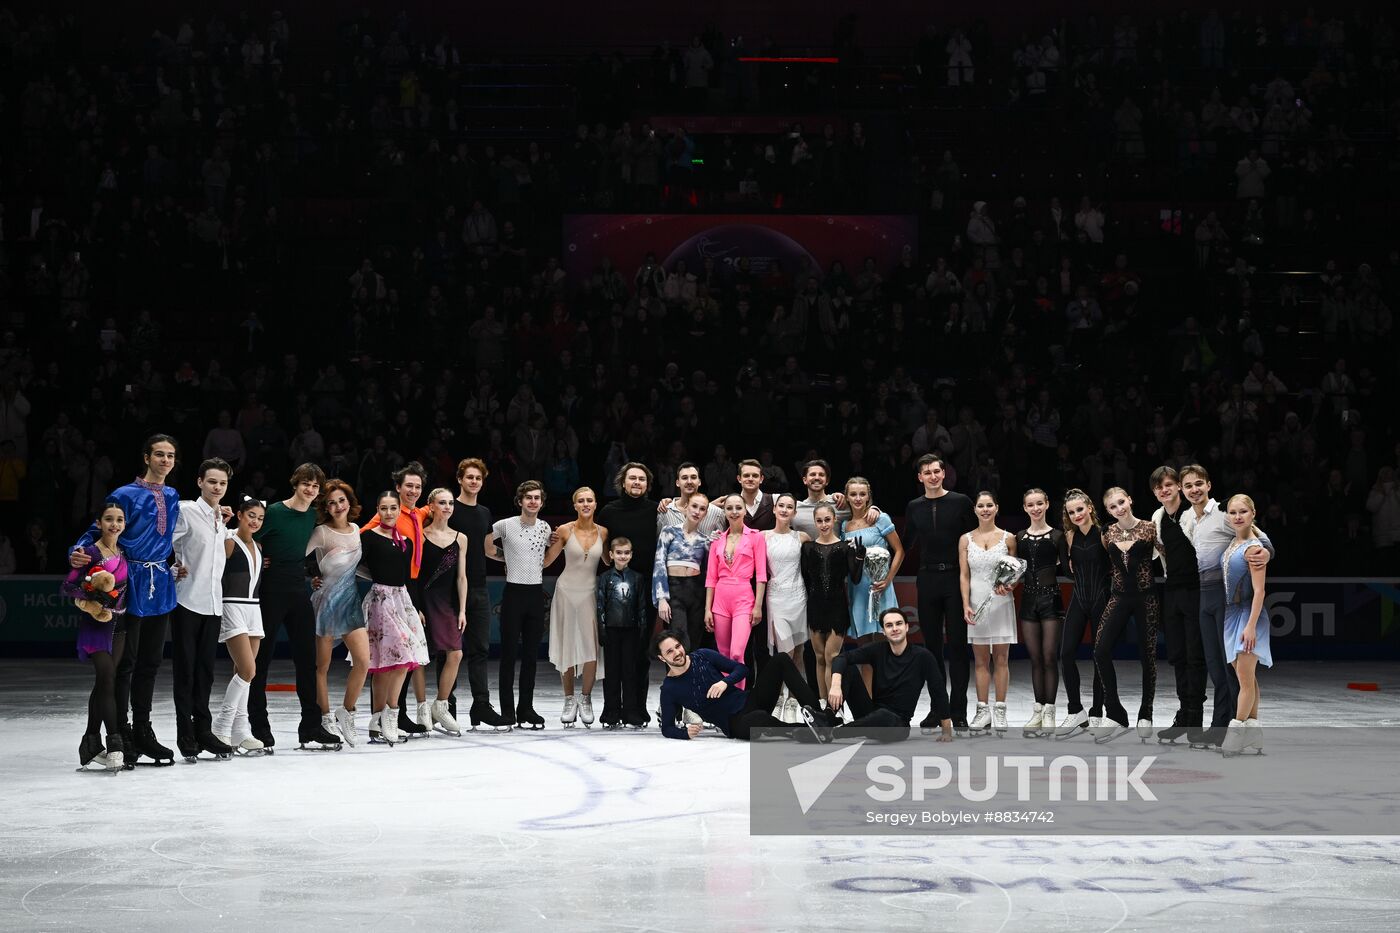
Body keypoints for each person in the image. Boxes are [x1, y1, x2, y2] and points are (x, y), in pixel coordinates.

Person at [69, 434, 182, 766]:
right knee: (125, 664)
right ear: (146, 457)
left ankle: (144, 729)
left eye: (170, 456)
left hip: (160, 581)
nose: (165, 460)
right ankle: (121, 732)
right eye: (159, 454)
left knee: (150, 662)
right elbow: (97, 529)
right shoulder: (123, 494)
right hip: (128, 582)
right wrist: (76, 552)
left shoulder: (174, 495)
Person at [1177, 465, 1272, 748]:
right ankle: (1233, 727)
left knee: (1233, 670)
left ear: (1208, 485)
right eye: (1188, 485)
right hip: (1205, 596)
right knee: (1218, 667)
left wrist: (1266, 550)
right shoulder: (1185, 519)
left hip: (1226, 597)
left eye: (1198, 484)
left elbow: (1256, 538)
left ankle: (1229, 727)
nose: (1194, 489)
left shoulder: (1223, 514)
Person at [249, 463, 339, 750]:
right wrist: (257, 557)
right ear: (295, 483)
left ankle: (311, 726)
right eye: (306, 484)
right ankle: (258, 727)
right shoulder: (274, 512)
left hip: (298, 591)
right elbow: (247, 537)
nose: (310, 490)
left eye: (315, 486)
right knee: (260, 661)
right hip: (271, 591)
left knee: (307, 661)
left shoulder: (313, 515)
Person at [902, 454, 978, 732]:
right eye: (927, 472)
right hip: (927, 578)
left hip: (955, 579)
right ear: (919, 477)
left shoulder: (960, 502)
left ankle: (959, 711)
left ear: (944, 474)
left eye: (937, 471)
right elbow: (906, 542)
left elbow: (975, 538)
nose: (933, 476)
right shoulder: (914, 506)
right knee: (931, 649)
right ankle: (938, 709)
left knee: (957, 647)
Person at [169, 457, 235, 761]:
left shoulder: (220, 518)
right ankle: (186, 734)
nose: (217, 487)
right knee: (186, 671)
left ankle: (204, 731)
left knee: (206, 672)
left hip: (212, 603)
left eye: (222, 483)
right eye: (212, 481)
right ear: (199, 482)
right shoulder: (186, 511)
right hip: (187, 601)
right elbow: (165, 542)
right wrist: (171, 566)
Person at [360, 462, 432, 737]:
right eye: (408, 486)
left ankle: (393, 715)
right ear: (398, 488)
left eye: (417, 487)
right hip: (385, 591)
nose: (413, 491)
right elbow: (360, 542)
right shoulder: (385, 516)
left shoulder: (418, 514)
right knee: (391, 656)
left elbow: (429, 507)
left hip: (407, 589)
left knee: (405, 655)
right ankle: (388, 715)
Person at [653, 630, 830, 741]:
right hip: (735, 723)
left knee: (781, 659)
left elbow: (741, 669)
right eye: (670, 651)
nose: (677, 652)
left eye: (677, 646)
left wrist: (725, 682)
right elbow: (667, 728)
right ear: (662, 658)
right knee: (758, 718)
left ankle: (819, 717)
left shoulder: (702, 655)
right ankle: (805, 731)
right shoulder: (669, 689)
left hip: (750, 700)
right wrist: (685, 734)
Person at [63, 501, 129, 771]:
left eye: (119, 520)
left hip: (120, 625)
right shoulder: (89, 553)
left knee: (104, 683)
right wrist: (90, 595)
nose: (114, 524)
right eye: (109, 519)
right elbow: (68, 586)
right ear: (99, 523)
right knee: (107, 679)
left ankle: (90, 743)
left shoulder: (124, 552)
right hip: (95, 626)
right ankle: (114, 743)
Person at [486, 480, 558, 728]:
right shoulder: (505, 525)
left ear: (541, 502)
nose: (533, 501)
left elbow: (546, 555)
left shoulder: (545, 528)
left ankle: (525, 708)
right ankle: (508, 711)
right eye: (528, 497)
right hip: (514, 594)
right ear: (520, 501)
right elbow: (486, 544)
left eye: (537, 498)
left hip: (536, 594)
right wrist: (503, 556)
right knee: (508, 655)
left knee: (530, 656)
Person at [445, 458, 509, 731]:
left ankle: (481, 705)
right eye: (469, 477)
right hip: (449, 588)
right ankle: (445, 705)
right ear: (459, 479)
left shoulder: (484, 512)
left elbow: (487, 549)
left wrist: (514, 558)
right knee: (449, 650)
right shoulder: (449, 508)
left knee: (480, 650)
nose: (473, 481)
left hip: (479, 587)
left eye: (478, 478)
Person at [1094, 486, 1161, 743]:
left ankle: (1146, 712)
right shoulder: (1107, 532)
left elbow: (1165, 557)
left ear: (1130, 499)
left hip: (1146, 597)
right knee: (1100, 650)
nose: (1119, 508)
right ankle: (1115, 712)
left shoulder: (1150, 527)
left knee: (1148, 655)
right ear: (1108, 511)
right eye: (1112, 507)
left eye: (1121, 502)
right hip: (1119, 597)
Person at [826, 608, 953, 741]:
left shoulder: (922, 656)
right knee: (848, 669)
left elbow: (938, 690)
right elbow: (841, 658)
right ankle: (825, 722)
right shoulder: (878, 649)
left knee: (883, 716)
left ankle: (834, 733)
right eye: (889, 625)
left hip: (897, 725)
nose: (895, 628)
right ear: (884, 632)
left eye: (899, 623)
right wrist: (835, 685)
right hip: (870, 715)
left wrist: (946, 731)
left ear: (907, 627)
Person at [1148, 466, 1208, 743]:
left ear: (1179, 488)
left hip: (1196, 588)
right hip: (1171, 590)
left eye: (1169, 485)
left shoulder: (1193, 513)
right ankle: (1183, 713)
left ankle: (1195, 716)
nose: (1165, 490)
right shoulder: (1158, 516)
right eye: (1159, 487)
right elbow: (1156, 551)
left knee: (1196, 655)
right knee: (1177, 655)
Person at [307, 479, 368, 746]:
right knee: (322, 666)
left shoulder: (357, 530)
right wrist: (310, 576)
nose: (337, 506)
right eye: (331, 502)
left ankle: (347, 711)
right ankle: (324, 717)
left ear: (349, 502)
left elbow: (358, 567)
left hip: (351, 601)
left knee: (363, 662)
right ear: (326, 507)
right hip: (326, 603)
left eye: (341, 500)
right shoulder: (321, 532)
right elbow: (299, 556)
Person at [599, 462, 660, 726]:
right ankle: (611, 709)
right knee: (613, 653)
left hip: (645, 590)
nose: (637, 483)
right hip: (615, 590)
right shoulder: (609, 511)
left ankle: (636, 709)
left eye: (642, 479)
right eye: (632, 478)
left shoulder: (657, 510)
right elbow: (601, 546)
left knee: (639, 653)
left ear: (647, 484)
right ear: (622, 482)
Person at [543, 486, 608, 727]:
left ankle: (586, 698)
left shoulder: (604, 532)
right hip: (567, 592)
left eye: (589, 500)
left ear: (595, 503)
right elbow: (548, 560)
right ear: (575, 505)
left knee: (591, 646)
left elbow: (610, 560)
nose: (585, 504)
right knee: (568, 645)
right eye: (581, 501)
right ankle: (569, 699)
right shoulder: (564, 530)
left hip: (591, 593)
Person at [212, 497, 270, 754]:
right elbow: (212, 568)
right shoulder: (228, 541)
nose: (255, 521)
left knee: (243, 673)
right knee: (248, 670)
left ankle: (240, 730)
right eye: (251, 516)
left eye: (260, 517)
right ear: (239, 514)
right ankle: (221, 727)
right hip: (231, 605)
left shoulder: (258, 545)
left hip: (253, 609)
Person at [960, 491, 1018, 735]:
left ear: (996, 508)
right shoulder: (965, 539)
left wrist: (1010, 585)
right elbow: (964, 574)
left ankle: (1001, 710)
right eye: (981, 506)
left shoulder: (1009, 538)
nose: (985, 509)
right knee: (981, 661)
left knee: (1002, 659)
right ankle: (983, 710)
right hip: (976, 604)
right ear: (975, 509)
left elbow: (1014, 572)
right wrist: (965, 604)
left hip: (1002, 604)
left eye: (989, 505)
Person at [1054, 489, 1108, 738]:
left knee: (1099, 657)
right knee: (1065, 654)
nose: (1076, 514)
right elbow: (1067, 571)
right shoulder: (1069, 536)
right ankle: (1076, 710)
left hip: (1102, 599)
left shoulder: (1105, 533)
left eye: (1080, 509)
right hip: (1079, 598)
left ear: (1089, 507)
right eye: (1071, 511)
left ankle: (1097, 712)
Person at [1221, 494, 1270, 756]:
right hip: (1231, 616)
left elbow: (1260, 591)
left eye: (1242, 511)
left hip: (1248, 615)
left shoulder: (1254, 548)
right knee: (1247, 677)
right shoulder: (1234, 542)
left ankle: (1236, 732)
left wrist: (1250, 626)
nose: (1237, 516)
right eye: (1232, 512)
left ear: (1253, 513)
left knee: (1244, 679)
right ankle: (1254, 732)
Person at [417, 488, 469, 735]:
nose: (448, 506)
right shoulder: (420, 535)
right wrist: (415, 605)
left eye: (450, 503)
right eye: (442, 502)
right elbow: (413, 574)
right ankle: (421, 707)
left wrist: (462, 610)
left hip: (446, 602)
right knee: (418, 658)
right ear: (431, 506)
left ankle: (440, 704)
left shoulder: (461, 538)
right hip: (424, 599)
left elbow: (461, 577)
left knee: (455, 653)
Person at [1016, 488, 1066, 737]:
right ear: (1024, 508)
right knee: (1035, 659)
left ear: (1047, 505)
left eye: (1039, 503)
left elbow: (1068, 567)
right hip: (1028, 600)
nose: (1035, 508)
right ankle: (1038, 709)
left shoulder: (1058, 536)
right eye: (1030, 505)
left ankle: (1050, 711)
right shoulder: (1020, 536)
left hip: (1050, 599)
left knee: (1049, 656)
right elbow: (1014, 570)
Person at [802, 503, 864, 699]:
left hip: (837, 607)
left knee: (832, 657)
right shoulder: (808, 548)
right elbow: (805, 578)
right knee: (819, 658)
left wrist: (860, 558)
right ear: (814, 522)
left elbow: (855, 578)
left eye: (827, 520)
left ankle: (834, 707)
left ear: (834, 519)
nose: (823, 524)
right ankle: (823, 705)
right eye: (819, 521)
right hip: (815, 606)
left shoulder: (845, 548)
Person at [704, 494, 768, 688]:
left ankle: (739, 701)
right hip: (720, 600)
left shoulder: (756, 537)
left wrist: (758, 606)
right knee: (723, 654)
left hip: (744, 597)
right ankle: (727, 703)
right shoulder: (717, 540)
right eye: (729, 508)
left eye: (738, 508)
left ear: (744, 510)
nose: (734, 512)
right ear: (724, 512)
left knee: (737, 653)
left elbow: (762, 575)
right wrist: (708, 609)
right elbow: (710, 578)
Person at [840, 477, 904, 644]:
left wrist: (887, 580)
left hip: (881, 587)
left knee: (887, 641)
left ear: (868, 496)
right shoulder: (844, 526)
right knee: (865, 646)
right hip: (857, 588)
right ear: (846, 497)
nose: (858, 498)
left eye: (862, 494)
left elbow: (899, 551)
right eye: (853, 494)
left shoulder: (879, 518)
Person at [763, 492, 809, 719]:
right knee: (785, 651)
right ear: (774, 509)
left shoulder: (801, 537)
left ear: (794, 512)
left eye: (789, 507)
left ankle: (792, 701)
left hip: (798, 596)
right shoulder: (762, 537)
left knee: (798, 651)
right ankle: (779, 695)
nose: (784, 510)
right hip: (776, 597)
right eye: (780, 505)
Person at [596, 536, 649, 728]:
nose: (623, 556)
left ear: (631, 554)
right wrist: (601, 629)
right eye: (619, 553)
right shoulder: (604, 578)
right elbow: (600, 605)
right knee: (611, 672)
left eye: (626, 553)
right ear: (611, 555)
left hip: (631, 631)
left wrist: (642, 629)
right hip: (611, 630)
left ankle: (630, 711)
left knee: (630, 671)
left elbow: (642, 606)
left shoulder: (638, 578)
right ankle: (611, 710)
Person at [653, 494, 712, 652]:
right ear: (686, 507)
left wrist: (708, 606)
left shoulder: (705, 540)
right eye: (694, 506)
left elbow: (708, 574)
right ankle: (674, 676)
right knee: (677, 638)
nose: (697, 511)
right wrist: (662, 599)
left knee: (694, 640)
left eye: (702, 509)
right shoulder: (669, 532)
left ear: (706, 513)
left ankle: (691, 676)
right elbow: (659, 564)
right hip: (674, 590)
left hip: (696, 592)